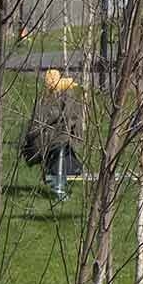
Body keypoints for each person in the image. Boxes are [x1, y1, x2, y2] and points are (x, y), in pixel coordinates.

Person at [23, 69, 85, 202]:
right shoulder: (49, 102)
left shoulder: (62, 100)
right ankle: (58, 187)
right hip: (46, 141)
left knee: (63, 149)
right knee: (61, 143)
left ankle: (57, 181)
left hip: (50, 140)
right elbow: (37, 126)